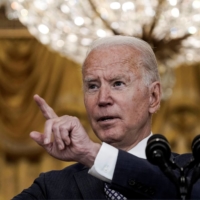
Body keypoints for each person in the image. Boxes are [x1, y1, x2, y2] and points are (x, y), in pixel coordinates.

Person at [13, 36, 200, 199]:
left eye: (118, 83)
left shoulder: (192, 174)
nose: (102, 99)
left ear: (153, 97)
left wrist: (92, 155)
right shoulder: (51, 188)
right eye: (93, 86)